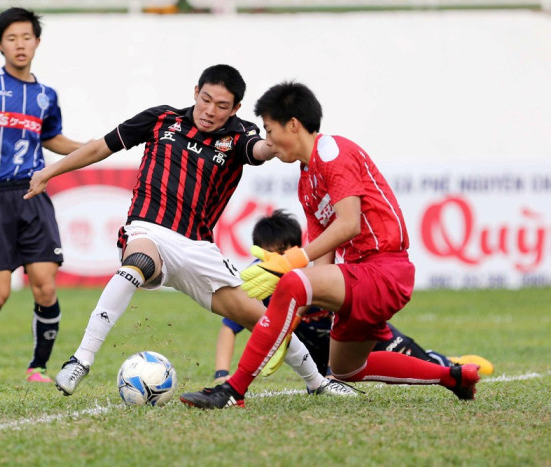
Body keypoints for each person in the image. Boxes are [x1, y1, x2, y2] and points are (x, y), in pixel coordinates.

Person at [24, 65, 354, 398]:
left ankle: (317, 382)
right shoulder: (161, 120)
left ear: (236, 108)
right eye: (206, 99)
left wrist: (280, 139)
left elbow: (261, 150)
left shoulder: (240, 135)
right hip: (148, 230)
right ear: (195, 91)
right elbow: (100, 147)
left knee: (261, 316)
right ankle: (81, 360)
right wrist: (51, 171)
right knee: (136, 264)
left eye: (222, 106)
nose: (211, 111)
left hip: (198, 249)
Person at [180, 81, 482, 409]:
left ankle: (233, 391)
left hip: (385, 270)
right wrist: (288, 317)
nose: (267, 141)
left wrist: (293, 263)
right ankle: (454, 377)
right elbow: (323, 262)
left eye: (269, 130)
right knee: (346, 369)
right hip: (360, 276)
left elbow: (349, 223)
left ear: (293, 125)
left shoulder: (333, 152)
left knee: (294, 282)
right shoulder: (306, 180)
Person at [0, 7, 85, 383]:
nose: (20, 44)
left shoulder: (45, 95)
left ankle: (38, 367)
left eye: (26, 37)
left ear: (37, 42)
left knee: (45, 284)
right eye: (12, 38)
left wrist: (92, 147)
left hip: (33, 192)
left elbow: (52, 138)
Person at [213, 210, 494, 385]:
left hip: (360, 333)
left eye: (288, 251)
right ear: (259, 252)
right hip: (327, 357)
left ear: (299, 248)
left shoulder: (315, 270)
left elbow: (338, 298)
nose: (281, 258)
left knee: (417, 364)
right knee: (346, 377)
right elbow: (229, 326)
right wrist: (220, 372)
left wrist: (297, 308)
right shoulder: (256, 280)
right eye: (272, 253)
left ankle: (445, 362)